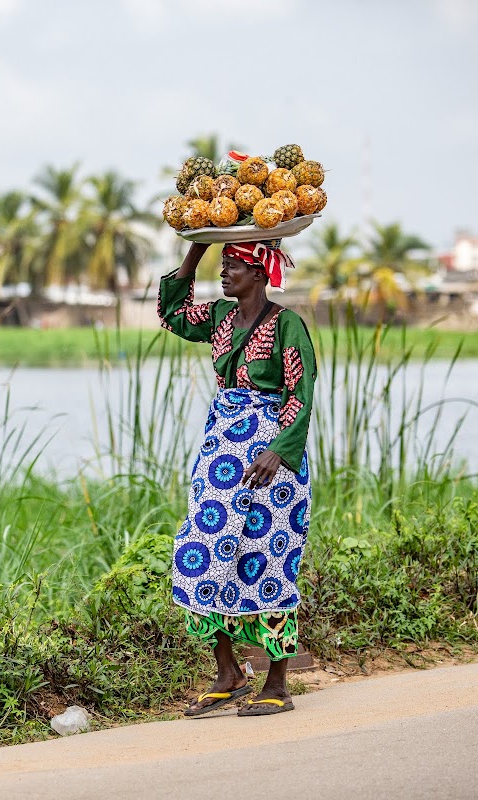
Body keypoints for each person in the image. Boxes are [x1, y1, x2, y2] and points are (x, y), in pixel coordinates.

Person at [157, 239, 316, 717]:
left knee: (268, 561)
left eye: (232, 266)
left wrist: (279, 451)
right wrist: (196, 249)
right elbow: (173, 314)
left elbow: (300, 392)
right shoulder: (221, 321)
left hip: (271, 462)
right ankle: (227, 673)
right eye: (221, 265)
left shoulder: (287, 324)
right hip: (222, 451)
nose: (223, 274)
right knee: (205, 555)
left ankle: (278, 682)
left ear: (258, 272)